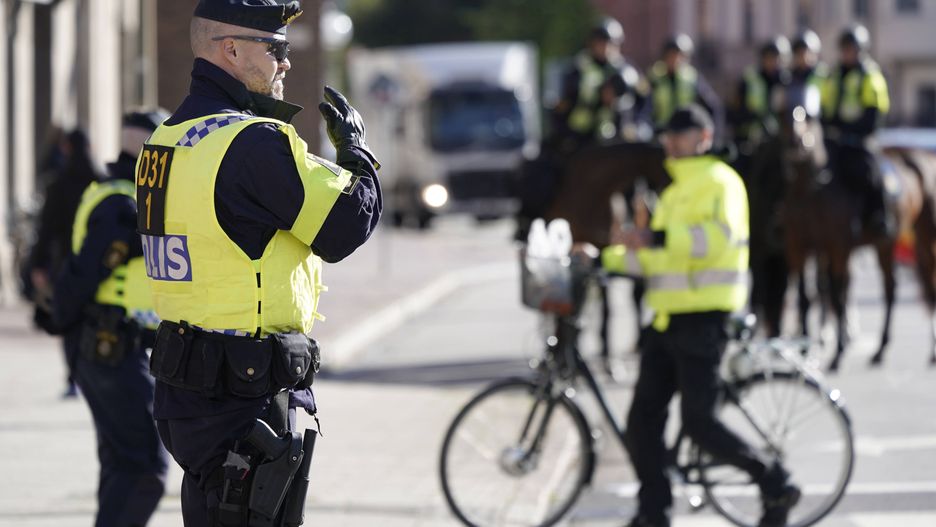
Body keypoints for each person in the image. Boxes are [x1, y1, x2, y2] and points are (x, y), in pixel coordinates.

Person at [142, 1, 382, 524]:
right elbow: (344, 227)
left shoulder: (165, 140)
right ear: (231, 49)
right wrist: (357, 154)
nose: (286, 63)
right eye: (275, 49)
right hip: (242, 392)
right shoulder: (251, 142)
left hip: (184, 391)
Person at [576, 105, 800, 527]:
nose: (669, 143)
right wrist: (603, 260)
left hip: (704, 319)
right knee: (642, 423)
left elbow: (715, 240)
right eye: (668, 136)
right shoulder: (674, 190)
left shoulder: (721, 182)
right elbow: (656, 258)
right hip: (666, 321)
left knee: (700, 424)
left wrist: (655, 235)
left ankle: (775, 483)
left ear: (704, 137)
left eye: (679, 135)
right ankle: (653, 512)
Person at [52, 111, 170, 526]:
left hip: (114, 348)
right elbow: (83, 275)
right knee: (144, 471)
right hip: (114, 349)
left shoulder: (121, 194)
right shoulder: (122, 203)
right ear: (147, 148)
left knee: (121, 466)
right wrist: (66, 328)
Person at [27, 128, 102, 397]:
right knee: (92, 319)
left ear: (67, 148)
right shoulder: (100, 180)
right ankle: (90, 372)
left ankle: (73, 376)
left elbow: (46, 228)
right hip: (96, 262)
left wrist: (36, 265)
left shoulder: (58, 183)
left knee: (70, 321)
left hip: (65, 262)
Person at [820, 24, 892, 236]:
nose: (847, 54)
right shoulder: (833, 76)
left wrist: (849, 130)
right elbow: (825, 106)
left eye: (851, 49)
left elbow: (874, 114)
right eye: (844, 49)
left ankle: (879, 217)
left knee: (870, 173)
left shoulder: (870, 76)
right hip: (836, 140)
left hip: (861, 140)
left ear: (861, 51)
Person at [551, 17, 645, 152]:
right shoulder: (577, 69)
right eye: (601, 43)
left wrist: (636, 123)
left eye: (611, 43)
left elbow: (644, 100)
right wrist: (565, 135)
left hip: (617, 134)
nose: (606, 48)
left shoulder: (629, 71)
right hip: (581, 136)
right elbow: (562, 106)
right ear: (592, 44)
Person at [646, 34, 724, 142]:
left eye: (679, 56)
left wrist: (715, 137)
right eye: (671, 55)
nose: (675, 60)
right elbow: (644, 108)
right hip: (660, 133)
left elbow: (713, 106)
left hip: (686, 133)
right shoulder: (655, 78)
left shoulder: (692, 78)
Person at [733, 36, 791, 154]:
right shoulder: (750, 79)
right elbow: (737, 109)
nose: (773, 62)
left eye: (776, 58)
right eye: (769, 58)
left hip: (781, 137)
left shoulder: (788, 81)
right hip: (752, 136)